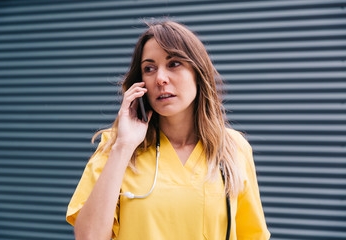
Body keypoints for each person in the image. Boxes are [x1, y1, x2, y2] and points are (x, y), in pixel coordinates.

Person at [66, 20, 270, 240]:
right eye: (149, 69)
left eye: (173, 64)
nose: (160, 79)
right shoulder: (116, 148)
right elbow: (88, 237)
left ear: (197, 72)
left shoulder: (232, 148)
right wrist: (124, 146)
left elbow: (253, 235)